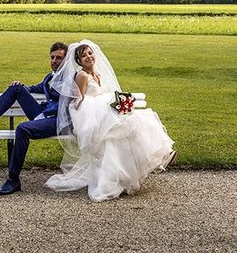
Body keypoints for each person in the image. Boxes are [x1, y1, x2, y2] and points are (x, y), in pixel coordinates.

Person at [45, 39, 176, 202]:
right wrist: (104, 108)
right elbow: (79, 101)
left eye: (90, 53)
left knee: (140, 122)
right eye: (83, 56)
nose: (88, 57)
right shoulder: (82, 75)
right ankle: (113, 181)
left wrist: (118, 104)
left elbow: (109, 94)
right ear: (78, 61)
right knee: (120, 132)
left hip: (105, 113)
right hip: (91, 115)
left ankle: (160, 156)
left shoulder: (98, 74)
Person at [0, 42, 68, 195]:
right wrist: (22, 86)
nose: (54, 61)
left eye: (59, 58)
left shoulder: (71, 79)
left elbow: (70, 105)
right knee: (16, 88)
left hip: (57, 121)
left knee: (22, 129)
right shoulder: (50, 77)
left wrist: (46, 112)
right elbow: (36, 88)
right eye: (52, 57)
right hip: (43, 116)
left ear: (66, 60)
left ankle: (13, 179)